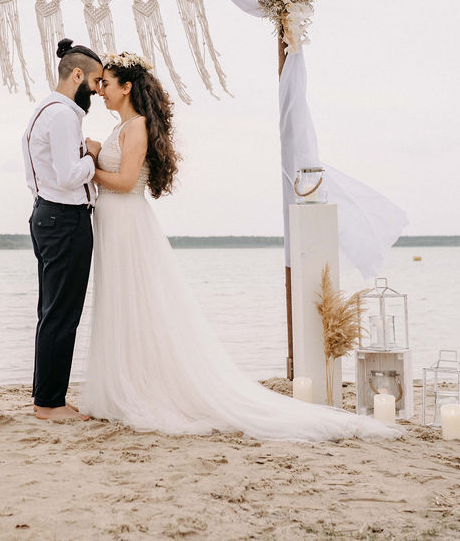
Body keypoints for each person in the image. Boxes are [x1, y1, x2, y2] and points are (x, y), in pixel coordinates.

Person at [81, 52, 402, 441]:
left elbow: (127, 181)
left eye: (107, 84)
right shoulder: (123, 127)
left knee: (133, 302)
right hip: (114, 222)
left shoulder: (136, 128)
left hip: (127, 223)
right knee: (120, 303)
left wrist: (89, 165)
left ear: (127, 86)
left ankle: (139, 388)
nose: (100, 91)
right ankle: (125, 383)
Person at [21, 38, 103, 421]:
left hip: (47, 216)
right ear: (77, 75)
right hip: (64, 220)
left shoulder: (46, 109)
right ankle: (49, 404)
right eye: (96, 81)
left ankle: (48, 397)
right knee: (61, 313)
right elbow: (71, 176)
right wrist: (93, 156)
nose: (98, 91)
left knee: (51, 311)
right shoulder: (64, 115)